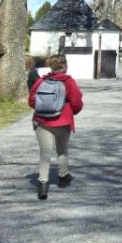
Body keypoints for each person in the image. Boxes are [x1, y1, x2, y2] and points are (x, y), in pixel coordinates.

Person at [28, 53, 83, 200]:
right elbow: (77, 103)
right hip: (63, 122)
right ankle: (63, 177)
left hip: (42, 122)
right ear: (65, 65)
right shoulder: (69, 82)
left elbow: (32, 101)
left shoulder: (41, 81)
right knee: (62, 150)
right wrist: (70, 112)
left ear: (51, 66)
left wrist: (44, 109)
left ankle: (43, 185)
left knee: (45, 152)